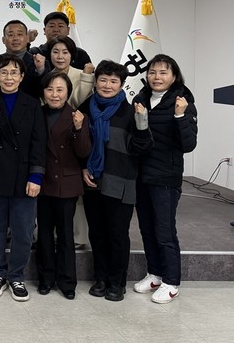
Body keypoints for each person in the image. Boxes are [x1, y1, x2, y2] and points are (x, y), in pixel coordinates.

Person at [79, 60, 153, 302]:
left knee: (118, 235)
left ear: (121, 84)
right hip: (93, 181)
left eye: (113, 81)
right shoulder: (85, 108)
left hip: (121, 181)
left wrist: (142, 122)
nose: (107, 85)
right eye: (103, 79)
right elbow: (77, 143)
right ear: (96, 81)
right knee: (97, 233)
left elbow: (142, 147)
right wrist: (82, 167)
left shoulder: (131, 111)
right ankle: (100, 278)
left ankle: (116, 282)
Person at [132, 54, 197, 304]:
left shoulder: (183, 102)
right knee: (147, 228)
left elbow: (188, 145)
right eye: (152, 72)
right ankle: (155, 273)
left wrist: (180, 116)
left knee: (164, 231)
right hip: (142, 175)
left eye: (163, 72)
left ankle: (171, 282)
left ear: (174, 76)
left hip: (166, 177)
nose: (156, 77)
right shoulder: (140, 100)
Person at [0, 53, 45, 302]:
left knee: (23, 231)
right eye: (4, 72)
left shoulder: (33, 104)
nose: (9, 77)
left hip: (24, 176)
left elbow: (39, 143)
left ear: (22, 76)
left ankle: (17, 275)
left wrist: (36, 177)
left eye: (14, 72)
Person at [36, 72, 91, 300]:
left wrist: (78, 129)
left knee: (66, 235)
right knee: (44, 234)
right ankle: (46, 279)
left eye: (59, 89)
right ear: (43, 92)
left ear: (68, 92)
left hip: (66, 183)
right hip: (42, 182)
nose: (54, 94)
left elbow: (84, 152)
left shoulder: (77, 116)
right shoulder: (37, 113)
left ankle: (67, 281)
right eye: (49, 89)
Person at [0, 20, 43, 97]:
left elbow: (45, 88)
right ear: (3, 40)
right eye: (11, 35)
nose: (15, 38)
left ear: (27, 38)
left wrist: (41, 70)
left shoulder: (39, 62)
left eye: (19, 34)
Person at [37, 36, 94, 109]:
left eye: (65, 52)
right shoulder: (47, 77)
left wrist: (86, 77)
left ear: (71, 55)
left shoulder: (84, 76)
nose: (60, 56)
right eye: (55, 52)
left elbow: (81, 104)